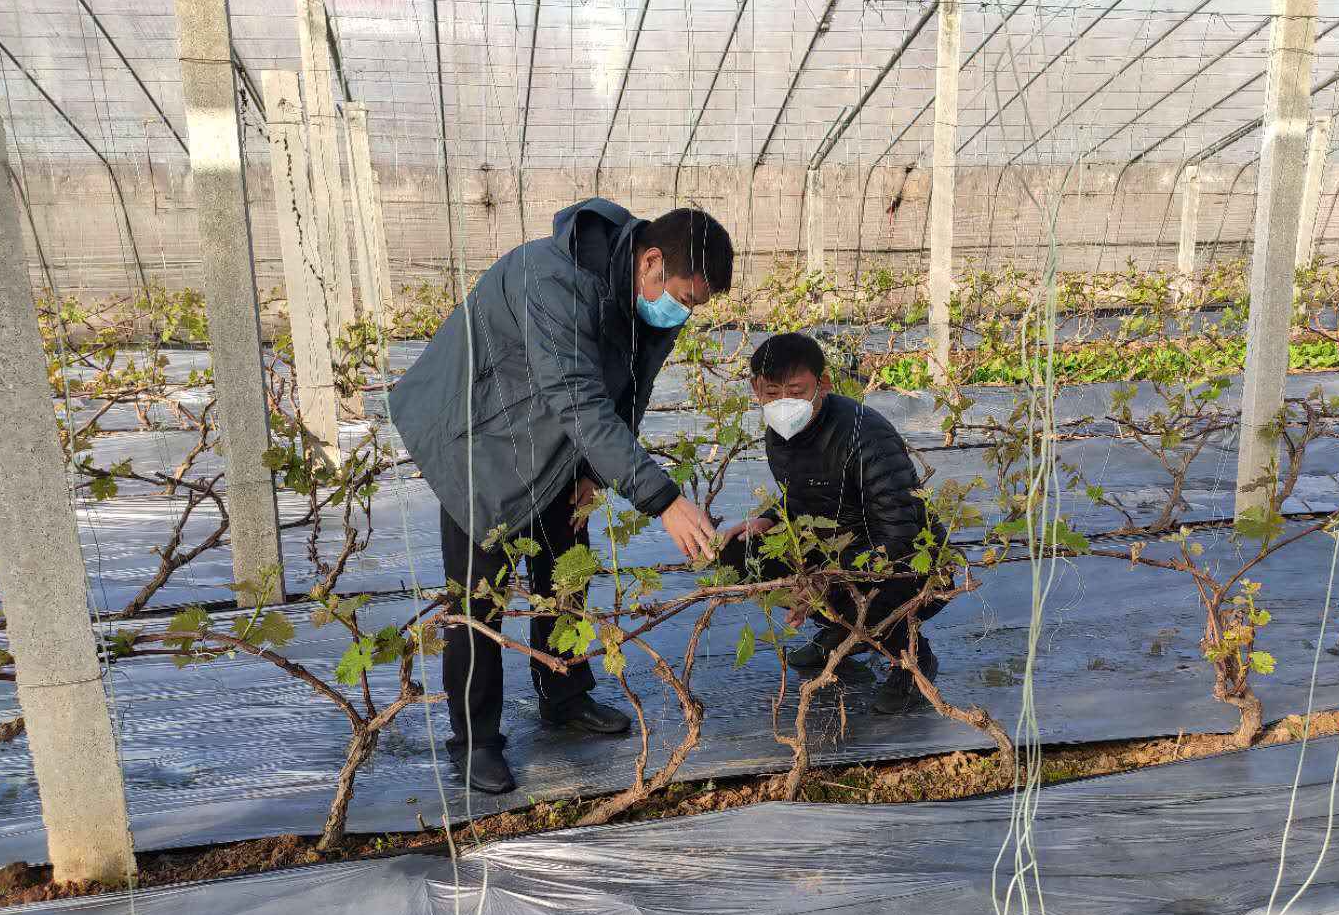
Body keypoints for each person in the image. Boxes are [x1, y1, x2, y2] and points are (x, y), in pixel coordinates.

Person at [390, 199, 734, 793]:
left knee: (567, 572)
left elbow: (630, 392)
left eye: (693, 307)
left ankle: (564, 695)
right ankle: (475, 739)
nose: (682, 313)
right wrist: (663, 500)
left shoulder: (644, 303)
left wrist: (595, 476)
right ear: (651, 261)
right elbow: (576, 397)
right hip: (481, 437)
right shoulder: (547, 279)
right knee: (479, 600)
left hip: (555, 437)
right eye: (683, 298)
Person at [719, 332, 943, 715]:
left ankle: (913, 659)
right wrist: (768, 518)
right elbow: (803, 498)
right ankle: (844, 628)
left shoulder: (866, 436)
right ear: (757, 389)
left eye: (796, 391)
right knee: (739, 551)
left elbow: (900, 534)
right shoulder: (779, 435)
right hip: (833, 546)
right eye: (772, 394)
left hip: (897, 553)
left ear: (822, 384)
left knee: (877, 574)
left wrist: (826, 578)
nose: (783, 404)